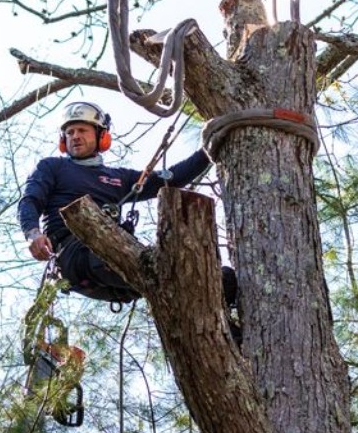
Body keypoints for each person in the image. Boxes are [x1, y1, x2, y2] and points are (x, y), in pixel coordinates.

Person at [18, 101, 235, 307]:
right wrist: (33, 233)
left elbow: (172, 179)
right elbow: (30, 200)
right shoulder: (52, 167)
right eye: (70, 132)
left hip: (114, 255)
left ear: (101, 135)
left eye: (82, 130)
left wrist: (208, 151)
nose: (75, 136)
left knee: (219, 279)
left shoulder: (119, 178)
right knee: (158, 271)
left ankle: (223, 308)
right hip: (74, 255)